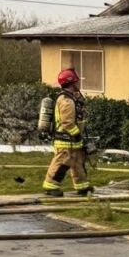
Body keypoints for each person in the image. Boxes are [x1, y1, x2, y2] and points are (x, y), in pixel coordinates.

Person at [42, 68, 92, 197]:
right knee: (62, 162)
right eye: (76, 81)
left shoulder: (70, 98)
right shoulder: (67, 101)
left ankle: (82, 186)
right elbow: (67, 123)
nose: (78, 83)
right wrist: (77, 135)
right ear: (72, 83)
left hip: (71, 139)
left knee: (77, 162)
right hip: (66, 139)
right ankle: (50, 186)